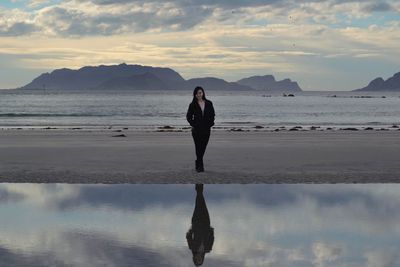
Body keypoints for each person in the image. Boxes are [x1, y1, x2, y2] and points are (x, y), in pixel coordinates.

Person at [186, 87, 215, 172]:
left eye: (200, 92)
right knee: (198, 147)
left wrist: (210, 124)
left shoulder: (209, 103)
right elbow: (188, 117)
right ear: (195, 94)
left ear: (203, 93)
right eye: (198, 93)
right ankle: (200, 166)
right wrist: (194, 124)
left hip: (206, 129)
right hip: (196, 130)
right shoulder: (192, 105)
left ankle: (198, 162)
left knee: (203, 147)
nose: (199, 94)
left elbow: (212, 115)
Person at [186, 184, 214, 266]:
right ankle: (199, 187)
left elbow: (188, 236)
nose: (199, 259)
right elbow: (212, 238)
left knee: (198, 203)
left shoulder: (192, 247)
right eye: (200, 260)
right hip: (206, 223)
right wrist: (211, 230)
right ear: (202, 259)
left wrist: (192, 228)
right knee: (203, 204)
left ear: (194, 258)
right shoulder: (208, 249)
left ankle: (199, 187)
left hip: (196, 222)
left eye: (197, 260)